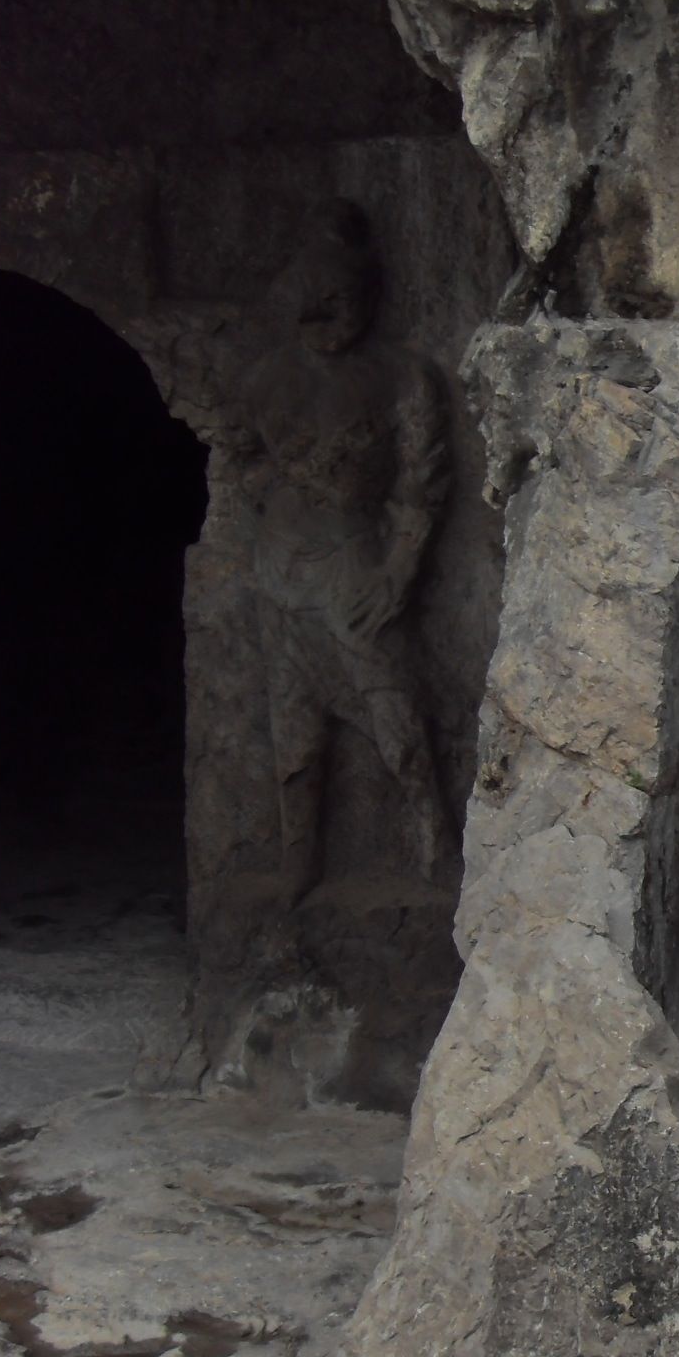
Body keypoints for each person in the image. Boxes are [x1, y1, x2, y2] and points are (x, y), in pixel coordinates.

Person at [239, 199, 451, 901]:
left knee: (396, 711)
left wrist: (397, 571)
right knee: (292, 722)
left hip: (357, 566)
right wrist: (279, 484)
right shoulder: (266, 379)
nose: (328, 316)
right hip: (281, 567)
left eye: (343, 300)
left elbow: (422, 483)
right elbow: (239, 456)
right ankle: (299, 856)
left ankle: (435, 843)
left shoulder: (401, 376)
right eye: (316, 301)